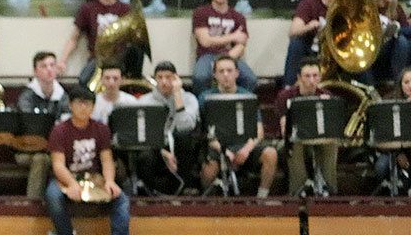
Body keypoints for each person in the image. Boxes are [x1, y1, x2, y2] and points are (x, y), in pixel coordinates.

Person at [44, 85, 141, 235]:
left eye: (88, 104)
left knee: (121, 198)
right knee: (53, 196)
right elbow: (58, 165)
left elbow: (106, 159)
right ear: (71, 105)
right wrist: (72, 184)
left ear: (93, 107)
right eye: (79, 103)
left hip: (94, 179)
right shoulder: (59, 131)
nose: (83, 108)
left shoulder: (101, 129)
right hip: (66, 179)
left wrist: (110, 181)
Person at [200, 54, 279, 197]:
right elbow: (207, 132)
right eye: (221, 71)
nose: (225, 75)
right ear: (214, 75)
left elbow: (259, 131)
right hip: (218, 146)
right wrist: (225, 152)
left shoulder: (249, 97)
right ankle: (207, 200)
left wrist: (246, 150)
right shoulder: (205, 98)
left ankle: (262, 197)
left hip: (244, 145)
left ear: (237, 73)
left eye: (229, 71)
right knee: (208, 168)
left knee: (271, 154)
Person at [58, 0, 139, 86]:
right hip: (98, 60)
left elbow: (135, 39)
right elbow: (73, 38)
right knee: (84, 82)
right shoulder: (88, 9)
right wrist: (62, 61)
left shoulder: (125, 9)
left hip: (120, 61)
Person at [276, 58, 339, 195]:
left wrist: (327, 108)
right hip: (293, 139)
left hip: (319, 138)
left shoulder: (326, 96)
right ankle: (299, 190)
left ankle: (329, 189)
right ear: (299, 78)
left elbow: (332, 128)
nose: (311, 80)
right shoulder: (286, 96)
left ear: (320, 77)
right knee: (293, 143)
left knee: (332, 142)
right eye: (307, 76)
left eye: (315, 76)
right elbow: (284, 128)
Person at [283, 0, 350, 86]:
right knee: (296, 44)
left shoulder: (345, 7)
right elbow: (293, 31)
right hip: (312, 50)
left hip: (334, 51)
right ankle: (289, 88)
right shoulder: (310, 3)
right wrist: (309, 27)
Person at [139, 60, 200, 191]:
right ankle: (151, 193)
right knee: (144, 155)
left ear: (176, 78)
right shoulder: (145, 101)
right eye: (160, 78)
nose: (164, 82)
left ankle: (184, 190)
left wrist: (177, 94)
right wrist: (163, 152)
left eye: (168, 77)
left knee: (185, 139)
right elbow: (142, 134)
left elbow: (186, 127)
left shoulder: (189, 98)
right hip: (156, 146)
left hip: (179, 144)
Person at [17, 50, 70, 199]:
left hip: (55, 149)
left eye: (52, 65)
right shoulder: (26, 96)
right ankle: (33, 204)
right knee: (40, 160)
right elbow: (29, 126)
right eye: (44, 66)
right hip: (28, 149)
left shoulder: (63, 95)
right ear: (35, 71)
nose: (49, 69)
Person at [191, 0, 255, 94]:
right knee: (201, 77)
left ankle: (239, 105)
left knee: (250, 79)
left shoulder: (238, 16)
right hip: (206, 56)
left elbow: (241, 45)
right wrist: (232, 36)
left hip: (230, 56)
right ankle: (203, 108)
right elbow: (205, 41)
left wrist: (226, 60)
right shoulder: (201, 13)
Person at [368, 0, 411, 85]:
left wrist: (396, 29)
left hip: (393, 51)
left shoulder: (395, 7)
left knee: (403, 40)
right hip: (372, 52)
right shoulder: (366, 6)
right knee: (402, 41)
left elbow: (408, 30)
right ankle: (398, 86)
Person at [373, 67, 411, 193]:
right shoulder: (388, 102)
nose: (410, 86)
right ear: (400, 84)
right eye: (406, 82)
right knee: (381, 167)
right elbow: (381, 135)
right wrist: (398, 154)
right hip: (391, 150)